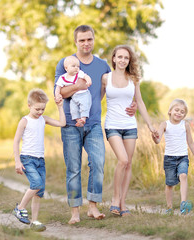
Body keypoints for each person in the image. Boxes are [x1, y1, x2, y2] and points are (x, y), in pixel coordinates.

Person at [54, 25, 137, 224]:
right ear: (76, 42)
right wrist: (78, 86)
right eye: (82, 40)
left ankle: (92, 207)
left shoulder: (102, 66)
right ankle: (75, 212)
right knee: (73, 168)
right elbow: (60, 93)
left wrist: (132, 105)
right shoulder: (65, 63)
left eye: (89, 39)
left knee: (98, 164)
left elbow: (115, 90)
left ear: (93, 40)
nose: (86, 43)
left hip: (93, 124)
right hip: (71, 125)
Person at [101, 45, 156, 217]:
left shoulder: (133, 79)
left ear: (129, 60)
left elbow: (139, 102)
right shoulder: (105, 78)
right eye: (120, 57)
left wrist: (150, 125)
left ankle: (123, 203)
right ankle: (115, 199)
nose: (123, 60)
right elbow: (97, 98)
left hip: (130, 126)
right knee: (123, 160)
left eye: (126, 58)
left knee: (129, 163)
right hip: (112, 125)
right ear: (114, 59)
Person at [13, 88, 66, 231]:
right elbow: (16, 141)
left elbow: (62, 123)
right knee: (36, 183)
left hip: (40, 160)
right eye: (37, 109)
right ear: (29, 105)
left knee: (39, 192)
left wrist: (60, 106)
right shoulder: (25, 121)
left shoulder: (44, 119)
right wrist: (18, 161)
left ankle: (34, 222)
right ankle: (20, 208)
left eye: (43, 109)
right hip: (27, 159)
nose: (40, 112)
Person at [151, 99, 194, 215]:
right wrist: (154, 137)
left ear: (185, 115)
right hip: (169, 158)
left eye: (182, 112)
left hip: (183, 157)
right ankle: (169, 208)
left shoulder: (185, 125)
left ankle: (183, 203)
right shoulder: (164, 124)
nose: (179, 113)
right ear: (170, 111)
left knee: (183, 175)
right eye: (177, 110)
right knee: (170, 184)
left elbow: (191, 142)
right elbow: (157, 140)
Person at [55, 55, 92, 127]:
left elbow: (85, 76)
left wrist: (88, 80)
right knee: (73, 108)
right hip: (74, 97)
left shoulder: (79, 74)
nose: (76, 68)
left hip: (84, 94)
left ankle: (83, 118)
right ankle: (78, 120)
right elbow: (58, 87)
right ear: (66, 68)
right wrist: (57, 95)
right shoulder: (62, 78)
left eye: (78, 66)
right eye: (73, 66)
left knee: (84, 105)